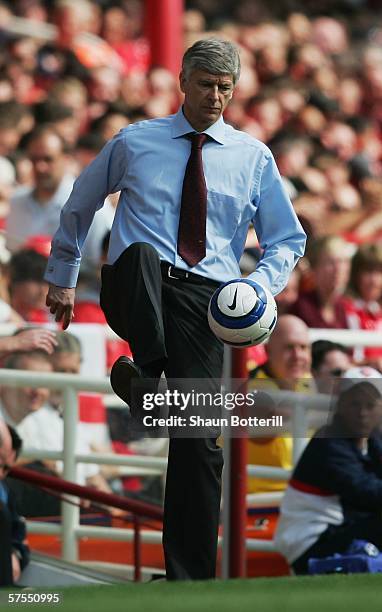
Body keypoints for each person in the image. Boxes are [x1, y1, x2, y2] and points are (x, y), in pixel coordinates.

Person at [44, 38, 306, 580]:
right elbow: (80, 201)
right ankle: (154, 375)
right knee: (139, 252)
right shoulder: (135, 141)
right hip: (135, 284)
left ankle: (189, 581)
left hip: (208, 303)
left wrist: (258, 286)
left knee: (201, 444)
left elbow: (287, 240)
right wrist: (64, 277)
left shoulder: (253, 157)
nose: (215, 95)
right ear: (183, 81)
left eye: (225, 87)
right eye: (206, 83)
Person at [275, 366, 382, 575]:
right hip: (310, 547)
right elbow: (365, 491)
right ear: (340, 405)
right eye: (355, 403)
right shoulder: (329, 443)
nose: (363, 412)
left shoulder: (372, 439)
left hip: (334, 532)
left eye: (370, 405)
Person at [247, 315, 313, 493]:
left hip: (301, 497)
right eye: (289, 348)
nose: (298, 355)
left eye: (303, 348)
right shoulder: (250, 388)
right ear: (268, 351)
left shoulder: (309, 382)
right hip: (257, 503)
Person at [0, 419, 29, 586]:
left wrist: (14, 554)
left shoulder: (6, 493)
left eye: (6, 468)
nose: (1, 474)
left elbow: (20, 538)